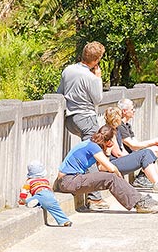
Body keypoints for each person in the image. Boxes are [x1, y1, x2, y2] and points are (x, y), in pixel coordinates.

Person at [53, 124, 158, 213]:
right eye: (112, 141)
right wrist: (120, 177)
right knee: (112, 177)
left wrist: (107, 152)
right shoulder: (93, 147)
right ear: (108, 141)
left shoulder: (91, 144)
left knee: (111, 177)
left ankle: (138, 200)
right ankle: (139, 202)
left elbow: (101, 167)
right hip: (69, 181)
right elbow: (111, 168)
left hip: (69, 180)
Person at [56, 41, 108, 210]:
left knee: (84, 154)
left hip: (71, 118)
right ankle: (95, 198)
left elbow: (60, 93)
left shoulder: (68, 70)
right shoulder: (91, 77)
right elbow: (98, 99)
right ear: (96, 60)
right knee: (92, 155)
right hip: (87, 118)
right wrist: (98, 78)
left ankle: (86, 188)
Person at [103, 107, 158, 194]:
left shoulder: (116, 130)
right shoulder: (109, 131)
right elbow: (118, 153)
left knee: (147, 153)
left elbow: (122, 150)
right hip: (112, 163)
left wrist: (134, 156)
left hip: (118, 160)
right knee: (145, 154)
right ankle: (156, 184)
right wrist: (134, 158)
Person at [115, 98, 158, 188]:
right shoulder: (120, 126)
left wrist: (156, 143)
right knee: (150, 152)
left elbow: (136, 143)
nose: (134, 111)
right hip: (123, 157)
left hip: (131, 154)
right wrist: (154, 141)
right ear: (124, 111)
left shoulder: (127, 125)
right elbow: (133, 146)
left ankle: (157, 180)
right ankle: (152, 181)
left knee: (156, 148)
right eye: (132, 109)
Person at [18, 160, 72, 227]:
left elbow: (24, 191)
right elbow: (51, 189)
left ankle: (33, 202)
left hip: (40, 195)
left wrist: (22, 200)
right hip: (49, 194)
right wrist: (53, 197)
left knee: (29, 201)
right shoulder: (45, 181)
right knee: (56, 209)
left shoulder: (29, 181)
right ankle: (65, 221)